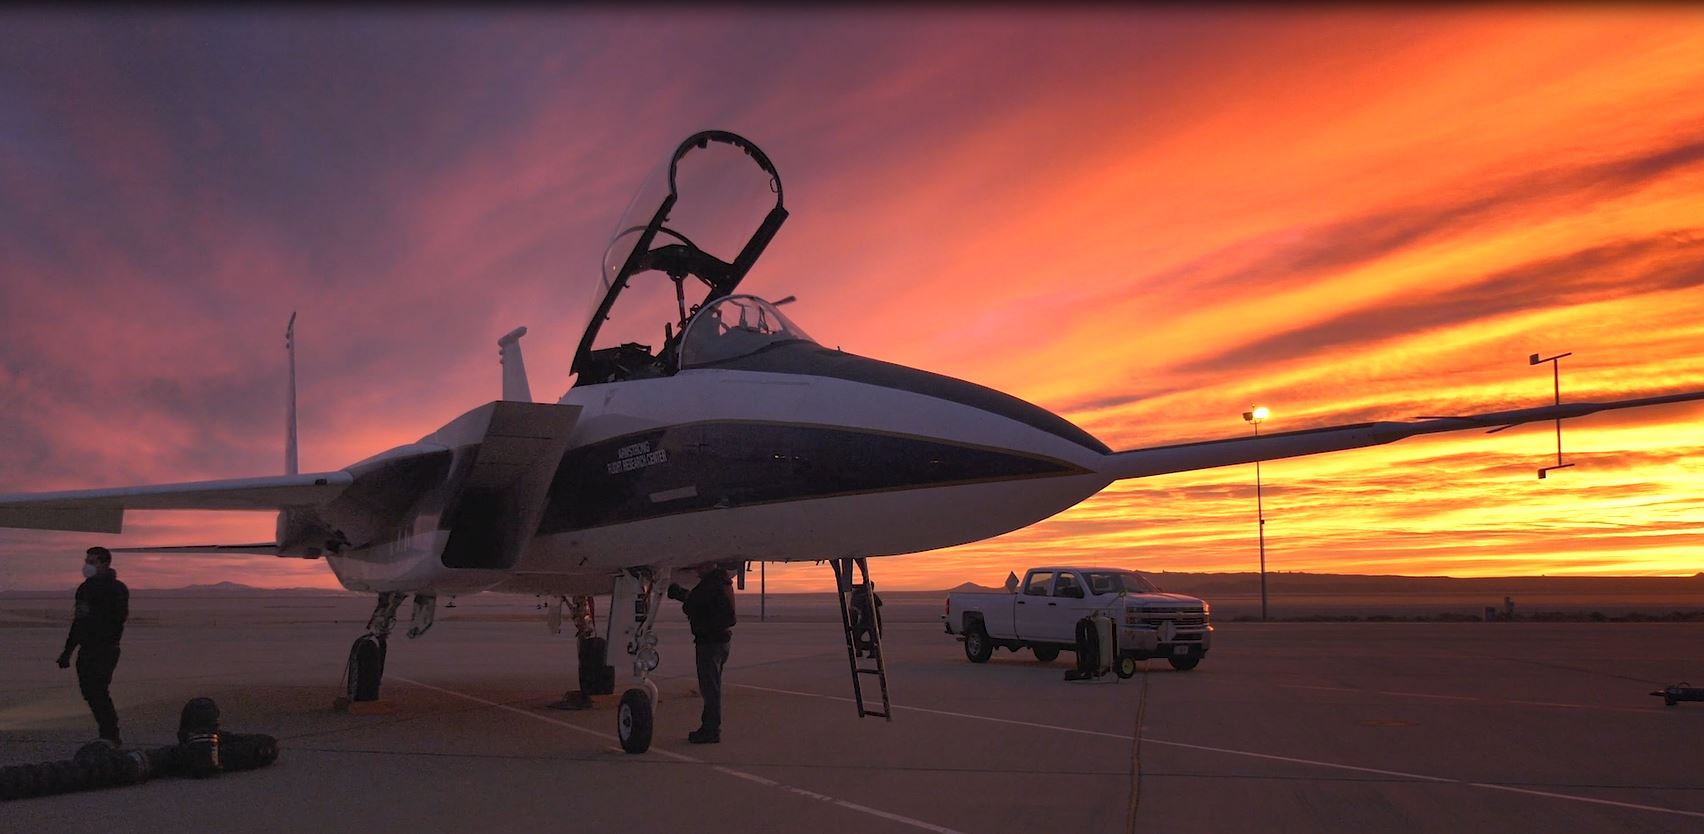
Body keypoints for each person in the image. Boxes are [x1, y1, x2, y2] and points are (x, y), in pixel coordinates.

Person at [57, 546, 129, 746]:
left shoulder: (117, 589)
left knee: (98, 690)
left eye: (92, 562)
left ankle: (110, 734)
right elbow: (79, 621)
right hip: (87, 649)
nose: (87, 566)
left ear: (105, 563)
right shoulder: (85, 588)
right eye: (86, 561)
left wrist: (94, 620)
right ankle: (107, 732)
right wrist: (67, 651)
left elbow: (117, 619)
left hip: (106, 648)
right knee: (89, 691)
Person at [667, 564, 736, 744]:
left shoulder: (709, 584)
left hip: (709, 643)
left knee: (710, 689)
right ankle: (709, 727)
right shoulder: (723, 582)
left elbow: (692, 605)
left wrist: (680, 595)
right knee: (713, 687)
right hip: (721, 641)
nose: (696, 571)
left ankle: (711, 729)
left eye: (700, 568)